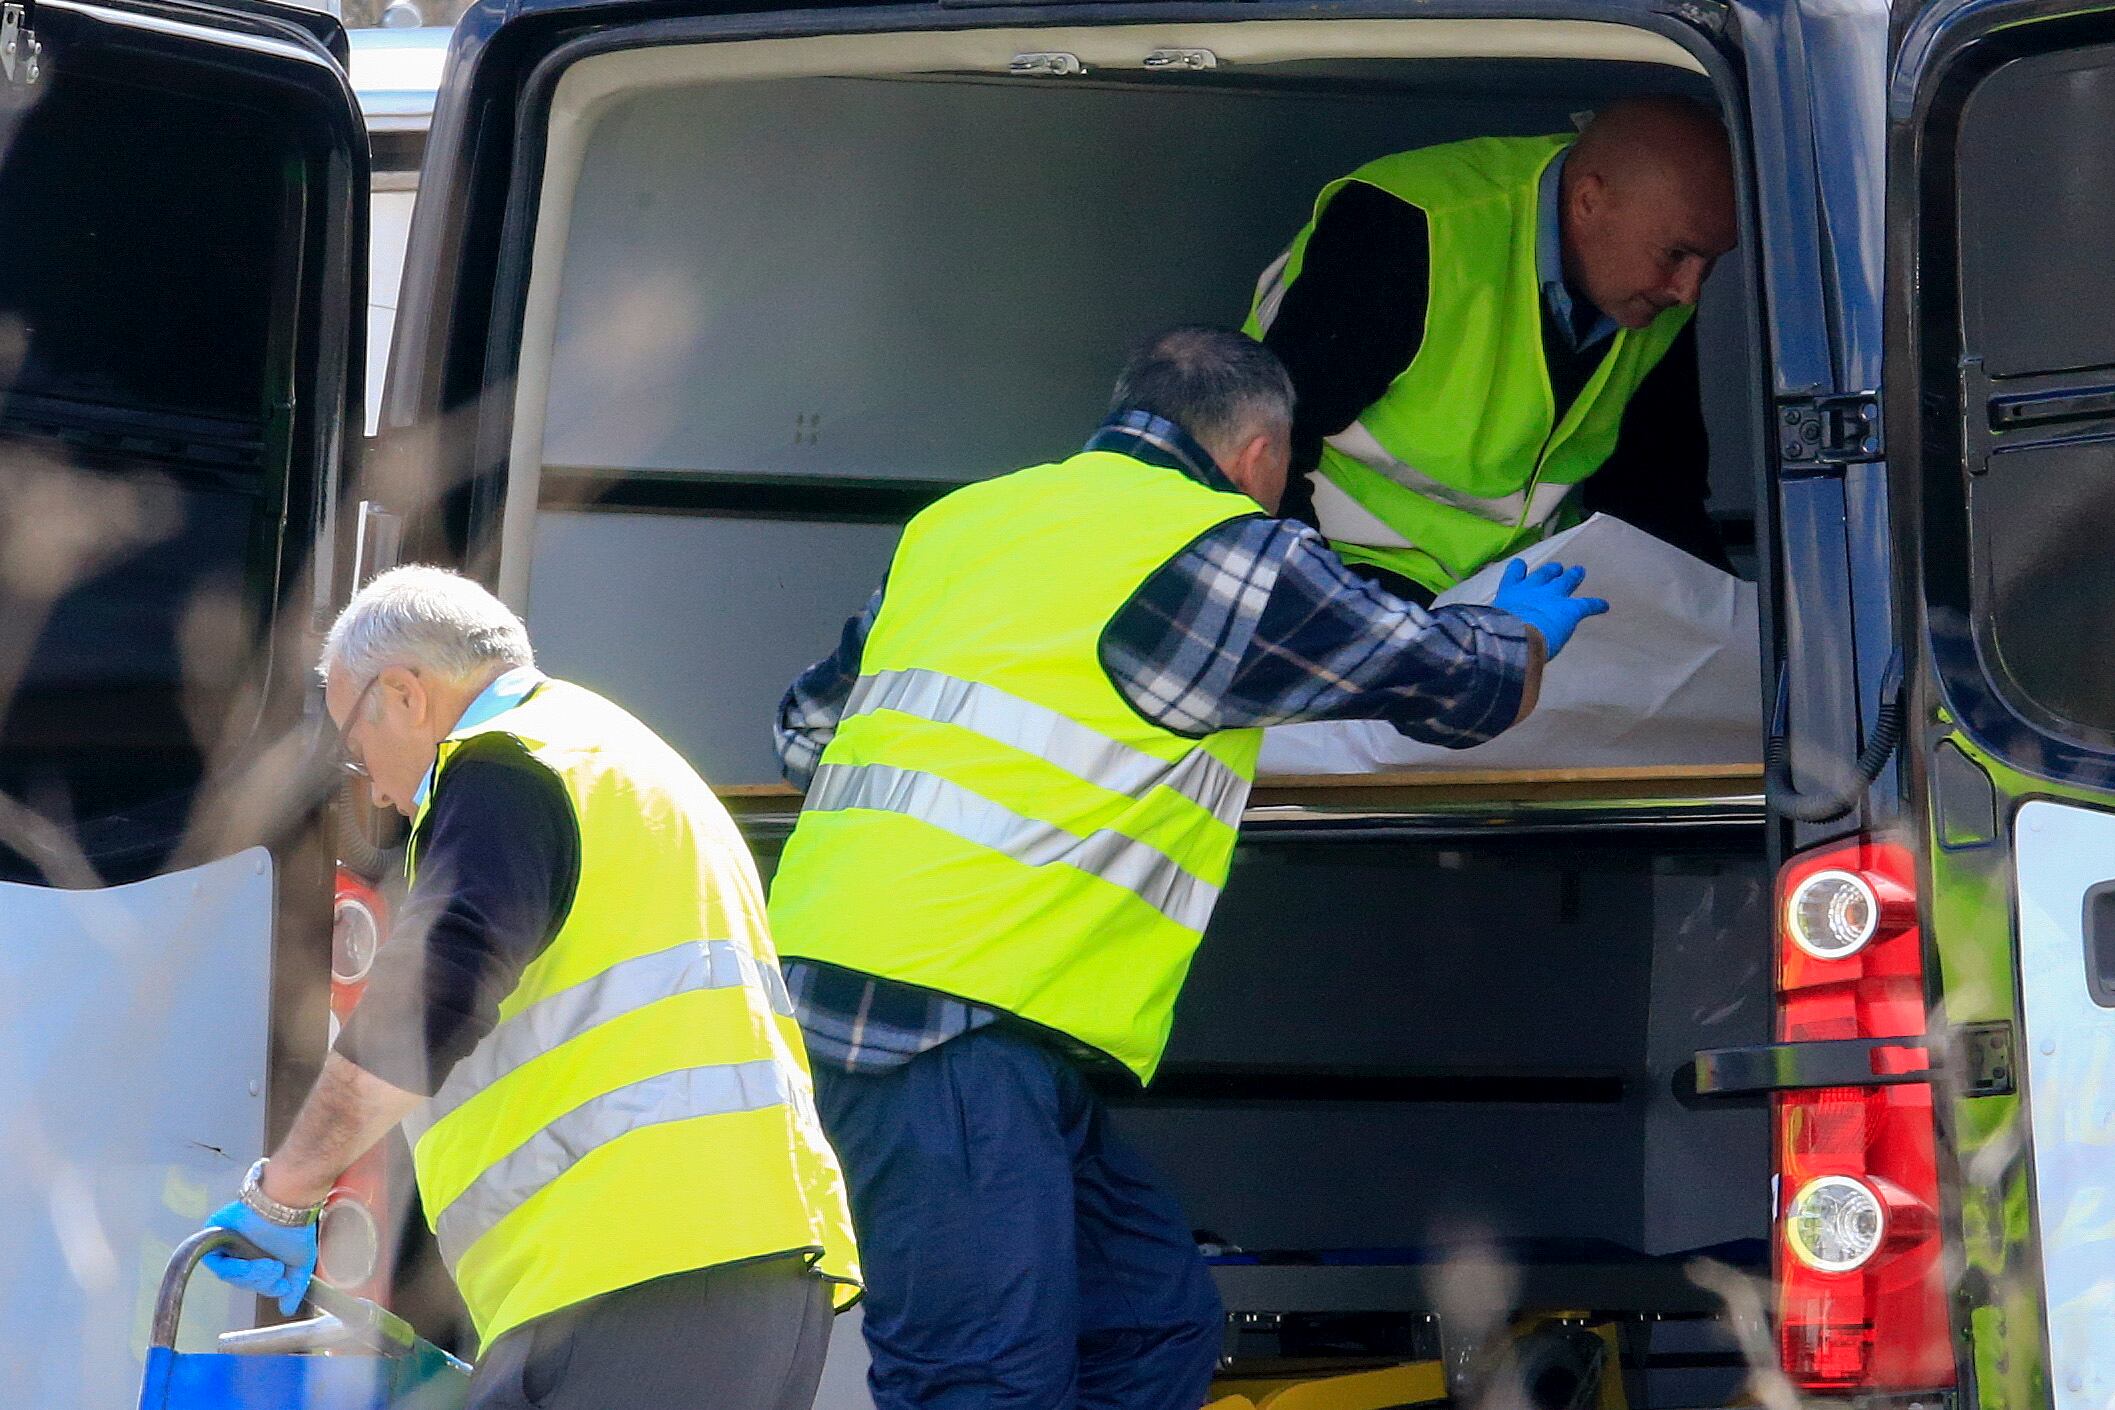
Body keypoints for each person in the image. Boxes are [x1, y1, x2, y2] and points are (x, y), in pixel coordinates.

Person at [764, 327, 1608, 1409]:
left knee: (1149, 1325)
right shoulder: (1223, 551)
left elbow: (805, 729)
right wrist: (1515, 630)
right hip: (944, 1023)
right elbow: (1458, 686)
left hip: (893, 998)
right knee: (984, 1383)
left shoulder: (963, 522)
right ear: (1260, 452)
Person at [195, 566, 859, 1410]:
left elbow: (430, 997)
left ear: (404, 694)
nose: (381, 793)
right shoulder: (610, 759)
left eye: (358, 750)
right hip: (707, 1271)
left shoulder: (508, 766)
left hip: (636, 1276)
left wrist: (285, 1195)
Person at [1247, 94, 1740, 602]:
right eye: (1676, 254)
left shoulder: (1653, 293)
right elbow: (1258, 447)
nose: (1690, 290)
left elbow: (1652, 489)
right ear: (1588, 202)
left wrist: (1736, 614)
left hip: (1518, 586)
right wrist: (1323, 606)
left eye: (1710, 261)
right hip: (1350, 564)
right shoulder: (1412, 229)